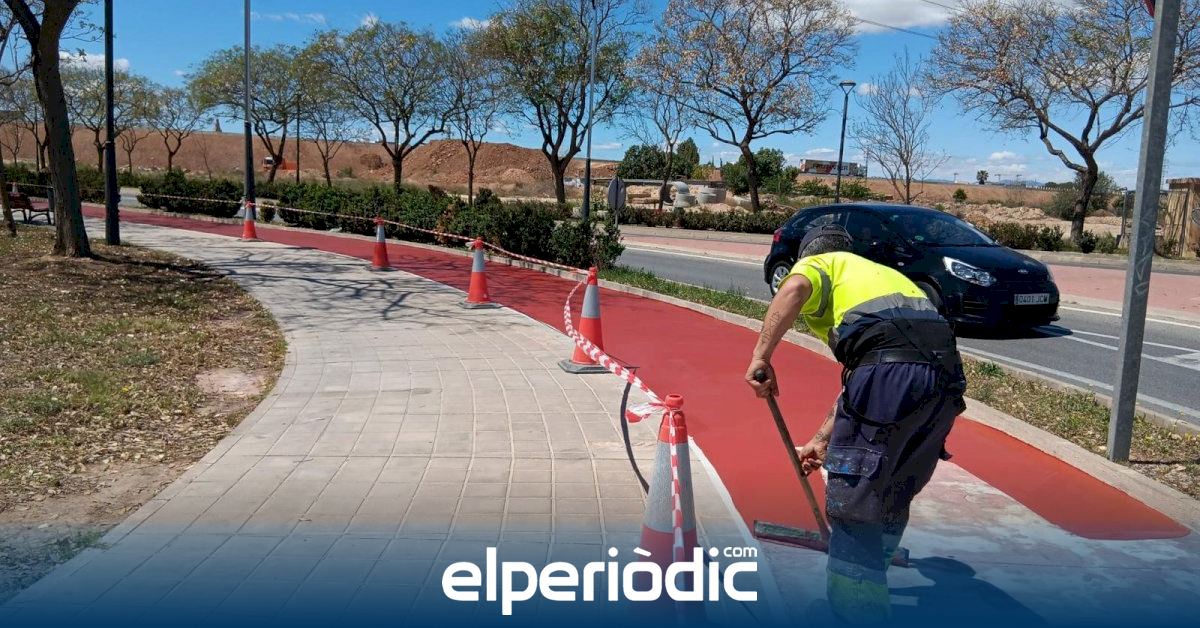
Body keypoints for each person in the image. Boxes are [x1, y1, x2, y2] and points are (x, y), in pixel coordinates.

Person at [744, 224, 966, 624]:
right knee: (894, 490)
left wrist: (762, 356)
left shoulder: (820, 265)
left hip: (889, 373)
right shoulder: (883, 277)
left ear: (810, 254)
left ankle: (854, 612)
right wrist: (821, 439)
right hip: (944, 383)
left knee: (854, 500)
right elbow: (864, 381)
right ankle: (869, 584)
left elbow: (794, 288)